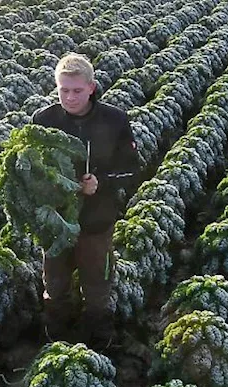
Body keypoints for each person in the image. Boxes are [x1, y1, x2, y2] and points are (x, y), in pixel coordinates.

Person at [32, 53, 140, 348]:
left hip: (96, 220)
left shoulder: (115, 119)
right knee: (55, 283)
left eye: (77, 90)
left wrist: (100, 183)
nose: (69, 97)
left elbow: (132, 167)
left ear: (91, 87)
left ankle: (98, 340)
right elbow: (32, 172)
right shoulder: (43, 120)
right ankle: (57, 335)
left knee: (97, 284)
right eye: (63, 90)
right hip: (56, 221)